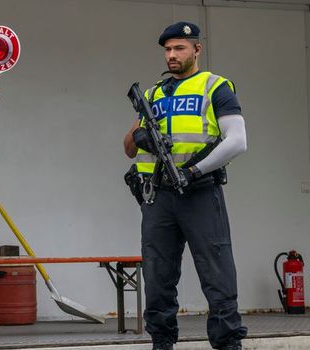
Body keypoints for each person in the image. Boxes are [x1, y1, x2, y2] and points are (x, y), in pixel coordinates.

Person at [123, 21, 248, 350]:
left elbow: (237, 141)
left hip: (200, 192)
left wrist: (194, 171)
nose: (172, 55)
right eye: (167, 50)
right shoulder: (152, 94)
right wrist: (139, 135)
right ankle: (161, 343)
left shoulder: (215, 86)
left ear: (197, 49)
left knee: (217, 274)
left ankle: (228, 344)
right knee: (157, 276)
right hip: (158, 197)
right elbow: (128, 149)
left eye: (179, 48)